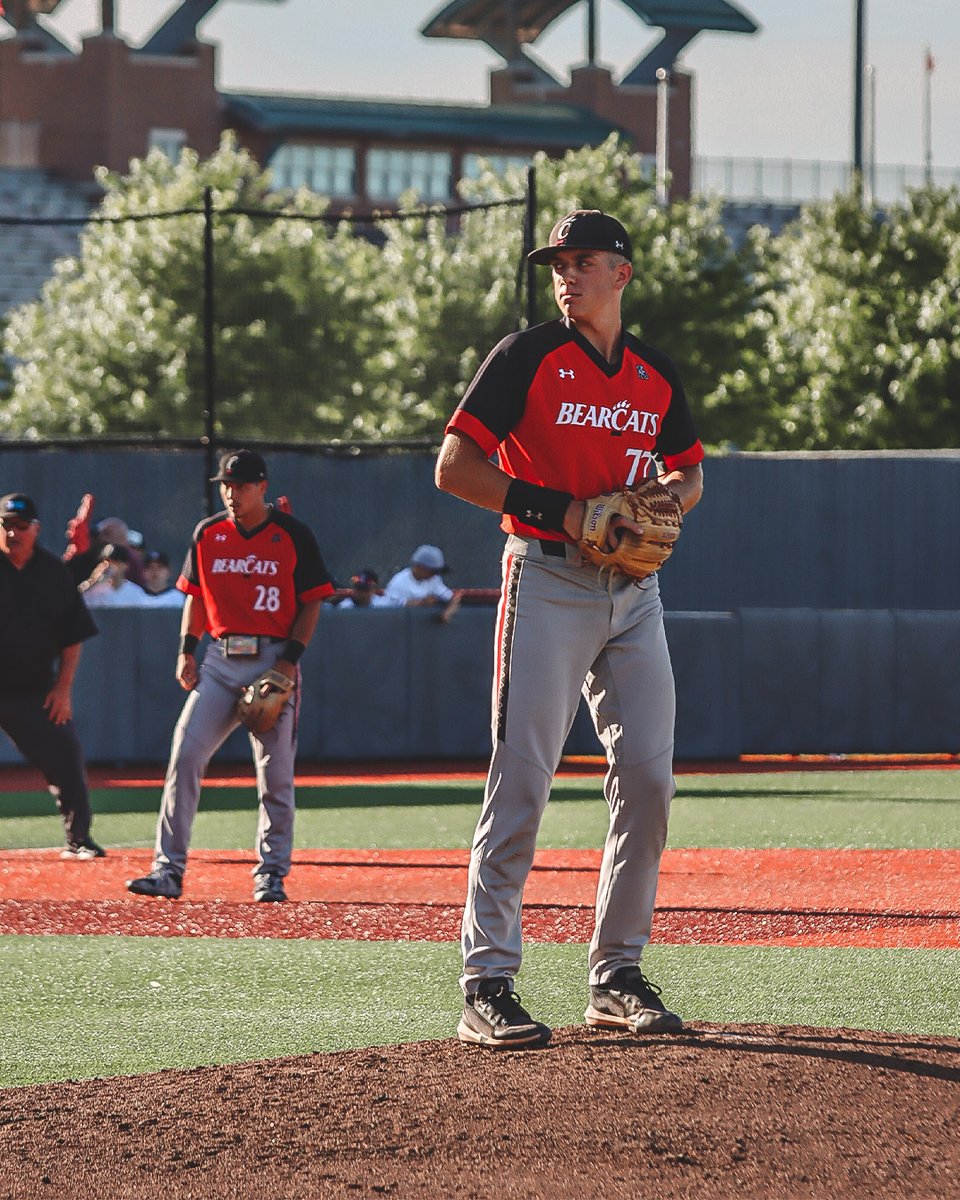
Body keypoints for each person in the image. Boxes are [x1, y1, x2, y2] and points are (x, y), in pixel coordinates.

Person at [434, 209, 705, 1049]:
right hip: (546, 575)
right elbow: (454, 468)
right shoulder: (524, 357)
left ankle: (616, 974)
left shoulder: (654, 373)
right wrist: (566, 510)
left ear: (620, 273)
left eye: (582, 260)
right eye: (557, 262)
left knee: (650, 780)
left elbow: (691, 474)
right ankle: (487, 980)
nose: (565, 273)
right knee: (523, 776)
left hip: (633, 590)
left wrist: (659, 505)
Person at [125, 449, 334, 903]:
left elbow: (313, 601)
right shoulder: (208, 533)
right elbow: (194, 596)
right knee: (185, 757)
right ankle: (167, 870)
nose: (231, 493)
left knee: (274, 774)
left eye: (240, 485)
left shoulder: (292, 534)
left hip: (273, 659)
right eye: (225, 484)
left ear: (262, 486)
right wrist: (186, 651)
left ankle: (271, 873)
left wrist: (288, 663)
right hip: (219, 661)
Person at [0, 493, 104, 860]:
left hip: (33, 689)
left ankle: (79, 840)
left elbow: (72, 635)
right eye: (6, 525)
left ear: (36, 529)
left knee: (65, 752)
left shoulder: (52, 572)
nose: (13, 533)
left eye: (21, 526)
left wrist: (63, 688)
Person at [383, 544, 460, 622]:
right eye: (433, 571)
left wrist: (447, 613)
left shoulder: (434, 580)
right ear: (420, 567)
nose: (435, 574)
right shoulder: (399, 582)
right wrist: (421, 602)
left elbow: (453, 599)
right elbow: (389, 608)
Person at [78, 544, 150, 607]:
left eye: (115, 562)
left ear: (125, 565)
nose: (109, 565)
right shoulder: (95, 590)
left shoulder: (135, 592)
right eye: (106, 561)